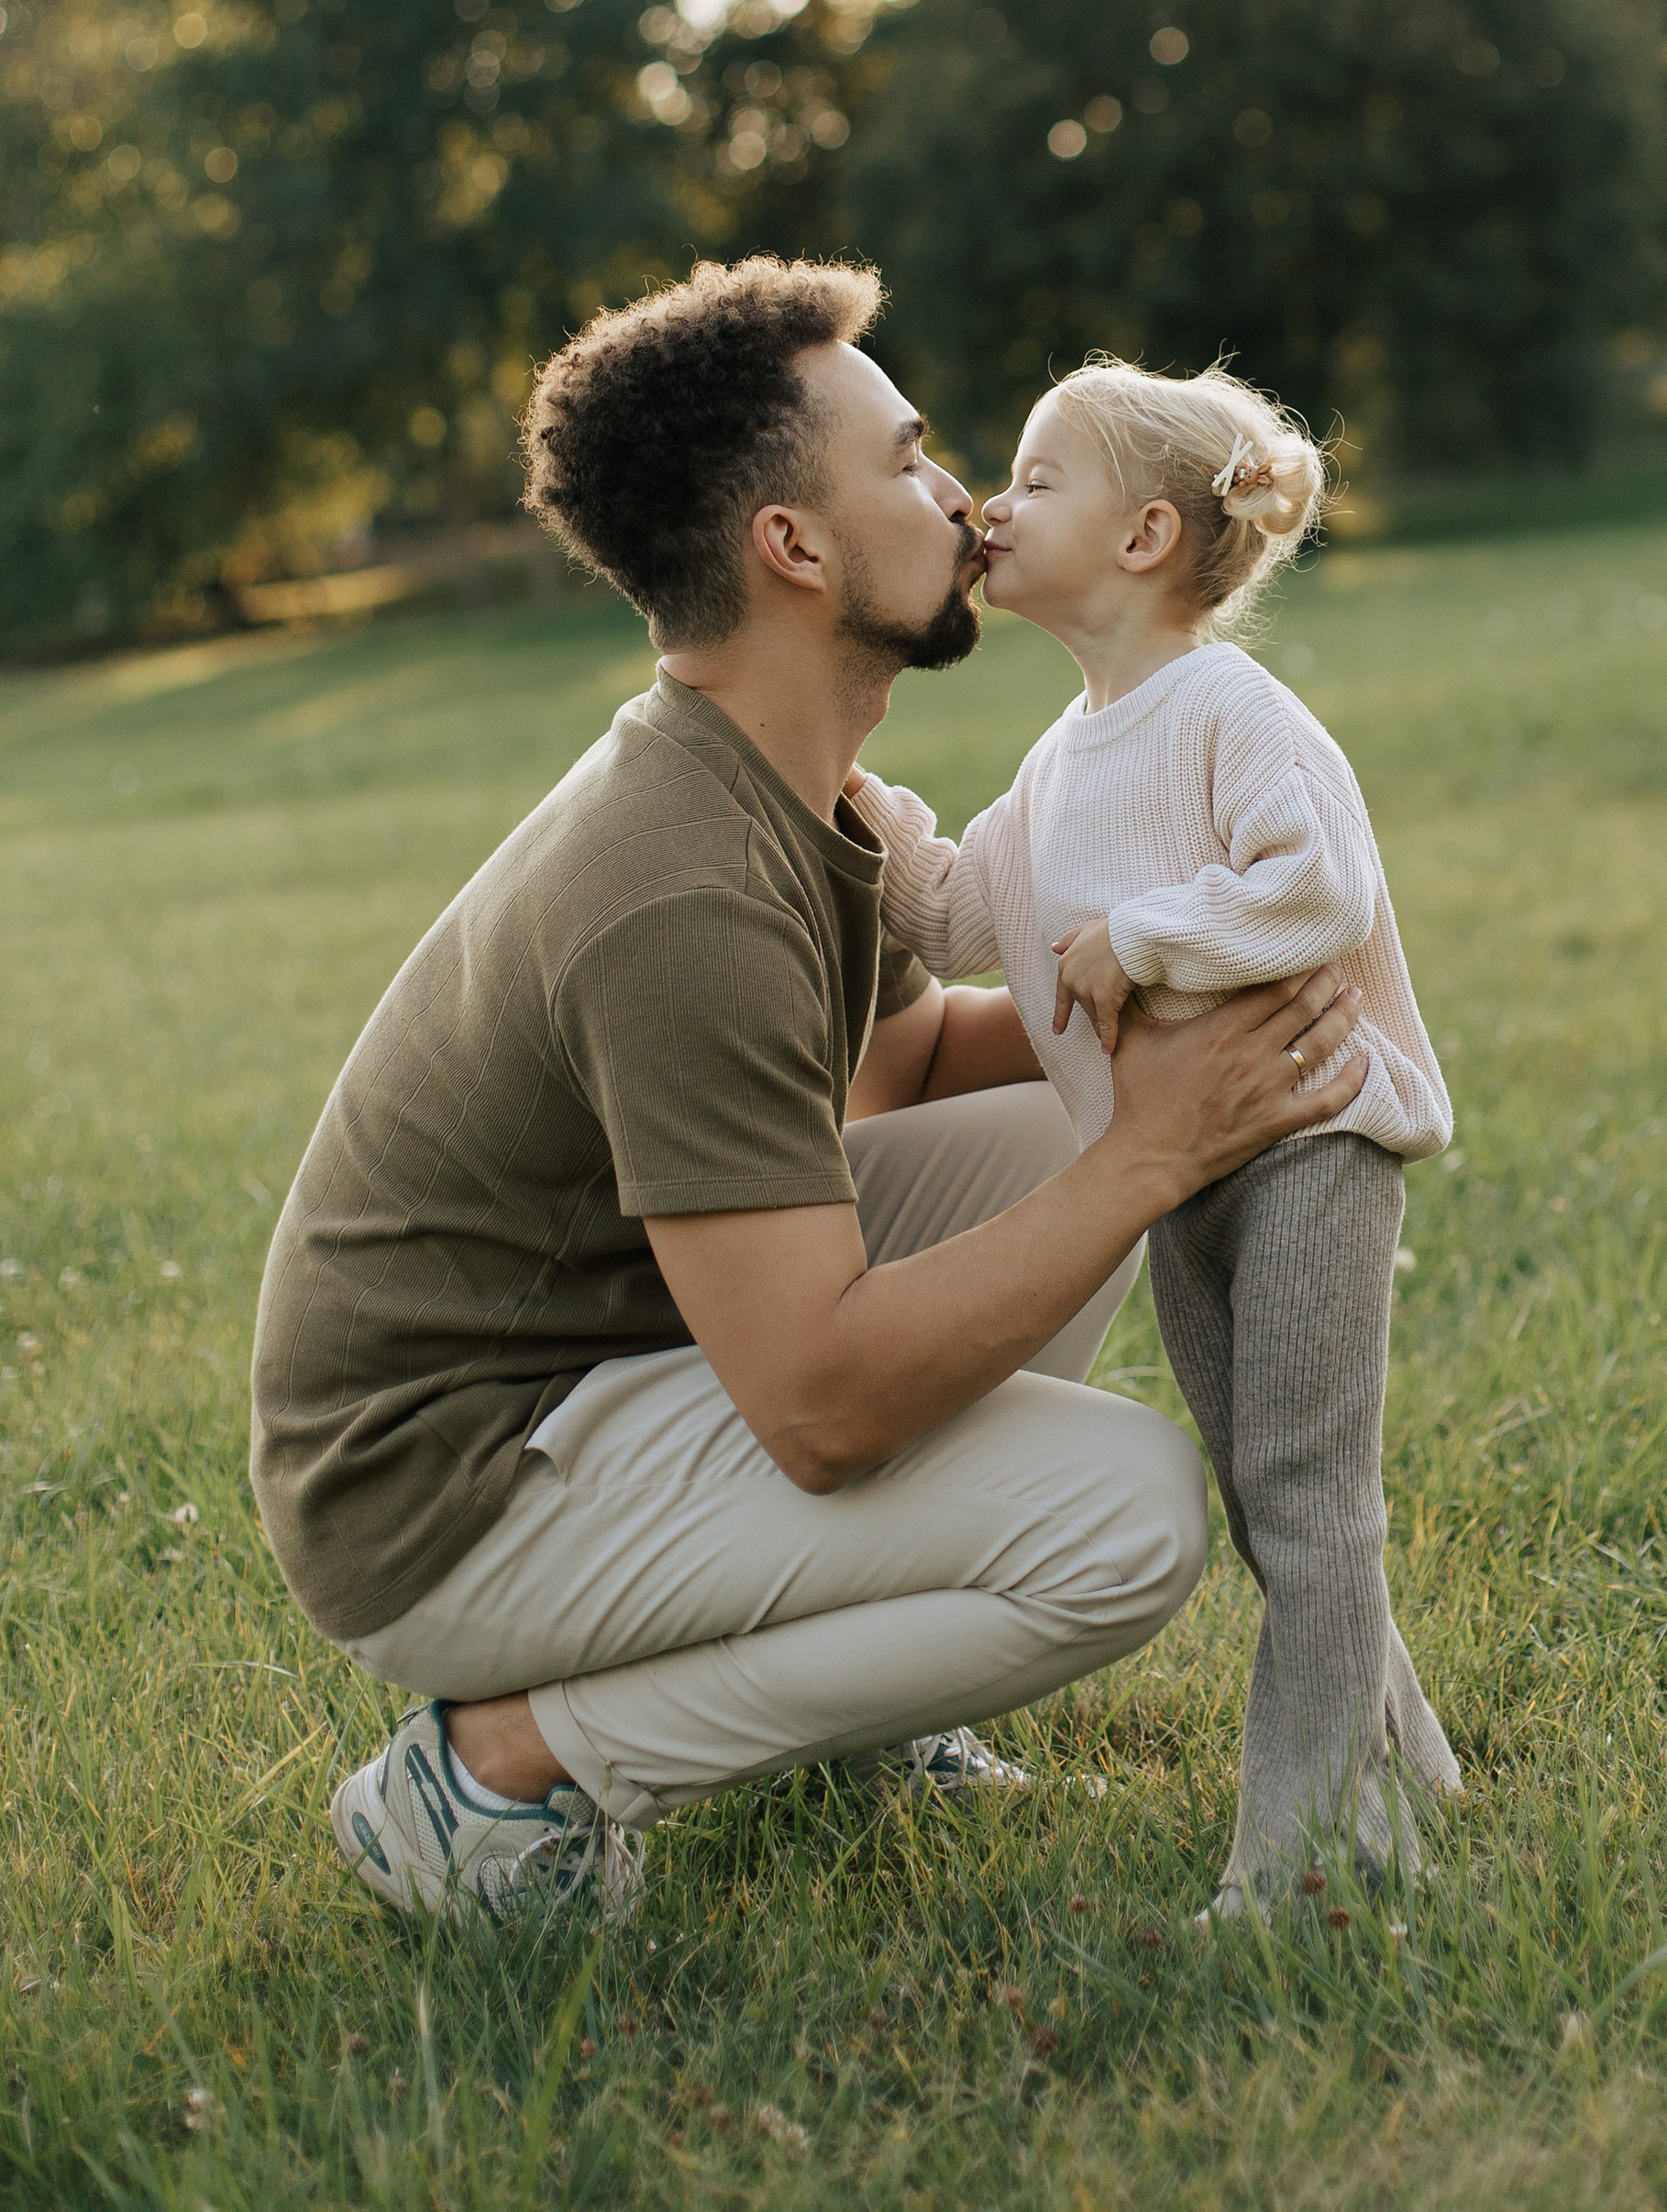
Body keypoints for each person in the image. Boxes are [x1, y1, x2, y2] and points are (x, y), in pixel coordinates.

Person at [248, 259, 1366, 1923]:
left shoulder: (786, 784)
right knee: (1126, 1520)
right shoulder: (682, 880)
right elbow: (822, 1406)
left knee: (1033, 1128)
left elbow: (898, 1068)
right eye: (910, 459)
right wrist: (1153, 1150)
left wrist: (1183, 991)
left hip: (593, 1380)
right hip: (444, 1494)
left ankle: (859, 1705)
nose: (963, 491)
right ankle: (495, 1768)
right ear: (795, 548)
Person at [850, 356, 1462, 1914]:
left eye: (1040, 479)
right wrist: (838, 792)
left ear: (1141, 541)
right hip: (1183, 1173)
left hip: (1312, 1143)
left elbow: (1319, 886)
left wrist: (1146, 938)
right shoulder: (1062, 757)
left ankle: (1304, 1862)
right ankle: (1414, 1769)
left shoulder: (1226, 710)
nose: (993, 501)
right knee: (1273, 1504)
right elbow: (951, 913)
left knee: (1313, 1500)